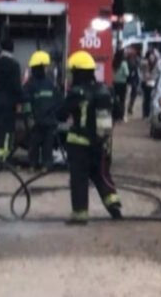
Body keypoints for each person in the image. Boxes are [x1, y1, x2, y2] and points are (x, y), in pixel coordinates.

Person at [59, 50, 122, 225]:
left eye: (73, 72)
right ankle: (114, 206)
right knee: (101, 175)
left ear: (78, 72)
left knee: (79, 179)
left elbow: (61, 113)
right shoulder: (106, 90)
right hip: (101, 144)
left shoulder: (76, 93)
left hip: (79, 145)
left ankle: (80, 215)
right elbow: (118, 112)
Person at [22, 51, 63, 171]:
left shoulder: (30, 84)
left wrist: (29, 118)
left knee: (34, 144)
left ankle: (33, 165)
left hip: (36, 121)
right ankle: (46, 165)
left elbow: (25, 101)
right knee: (47, 145)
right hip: (49, 121)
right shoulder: (51, 83)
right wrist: (55, 115)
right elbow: (59, 100)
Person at [140, 50, 161, 119]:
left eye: (153, 56)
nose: (152, 57)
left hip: (153, 82)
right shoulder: (145, 63)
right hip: (145, 82)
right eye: (150, 56)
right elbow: (142, 71)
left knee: (152, 99)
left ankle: (150, 113)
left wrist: (154, 78)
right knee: (146, 99)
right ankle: (145, 114)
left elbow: (159, 72)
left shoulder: (157, 64)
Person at [112, 49, 129, 122]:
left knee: (115, 100)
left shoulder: (114, 62)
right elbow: (127, 73)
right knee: (122, 101)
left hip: (115, 83)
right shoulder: (124, 63)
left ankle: (115, 115)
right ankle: (121, 116)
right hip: (122, 84)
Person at [126, 49, 140, 117]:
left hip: (132, 80)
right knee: (131, 95)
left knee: (132, 95)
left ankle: (130, 107)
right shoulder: (131, 61)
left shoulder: (130, 61)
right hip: (131, 80)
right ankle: (130, 107)